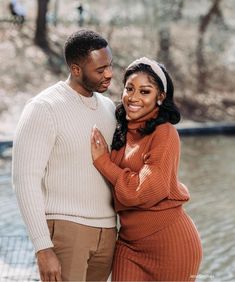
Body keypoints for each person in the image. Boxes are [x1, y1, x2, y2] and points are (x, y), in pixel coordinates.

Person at [12, 29, 117, 281]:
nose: (109, 74)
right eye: (100, 70)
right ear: (76, 69)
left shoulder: (109, 108)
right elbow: (25, 180)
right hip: (67, 232)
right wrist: (42, 247)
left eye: (110, 66)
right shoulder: (44, 108)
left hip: (108, 232)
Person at [91, 57, 203, 281]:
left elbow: (143, 191)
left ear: (160, 97)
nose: (133, 97)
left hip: (170, 244)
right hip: (128, 244)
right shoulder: (121, 128)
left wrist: (103, 162)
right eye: (129, 88)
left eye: (145, 92)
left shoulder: (165, 133)